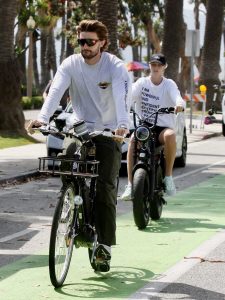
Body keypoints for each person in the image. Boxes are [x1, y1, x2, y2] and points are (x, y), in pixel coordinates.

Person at [27, 19, 131, 272]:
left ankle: (103, 246)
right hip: (80, 127)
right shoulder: (71, 64)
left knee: (106, 188)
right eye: (81, 41)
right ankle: (72, 203)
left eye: (90, 42)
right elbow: (55, 92)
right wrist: (42, 118)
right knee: (67, 162)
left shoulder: (115, 67)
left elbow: (121, 96)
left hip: (107, 132)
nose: (84, 46)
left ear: (103, 43)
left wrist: (122, 124)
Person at [121, 53, 185, 201]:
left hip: (162, 128)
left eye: (159, 65)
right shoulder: (142, 83)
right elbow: (129, 95)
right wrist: (123, 104)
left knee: (170, 135)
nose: (156, 68)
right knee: (132, 140)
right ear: (149, 66)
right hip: (144, 126)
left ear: (164, 67)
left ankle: (168, 177)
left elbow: (177, 97)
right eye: (153, 64)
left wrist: (179, 105)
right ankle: (130, 185)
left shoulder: (169, 84)